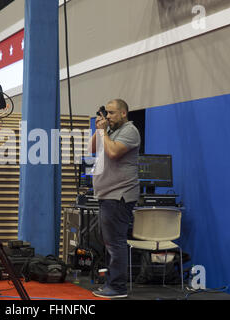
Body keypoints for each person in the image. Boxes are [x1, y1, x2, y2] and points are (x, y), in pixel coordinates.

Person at [88, 99, 141, 299]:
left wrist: (103, 133)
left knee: (115, 242)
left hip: (119, 195)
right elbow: (92, 149)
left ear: (123, 113)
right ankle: (113, 283)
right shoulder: (110, 132)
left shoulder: (130, 131)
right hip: (107, 195)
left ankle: (118, 287)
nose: (108, 117)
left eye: (111, 113)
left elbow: (113, 152)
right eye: (106, 113)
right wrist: (99, 129)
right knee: (110, 241)